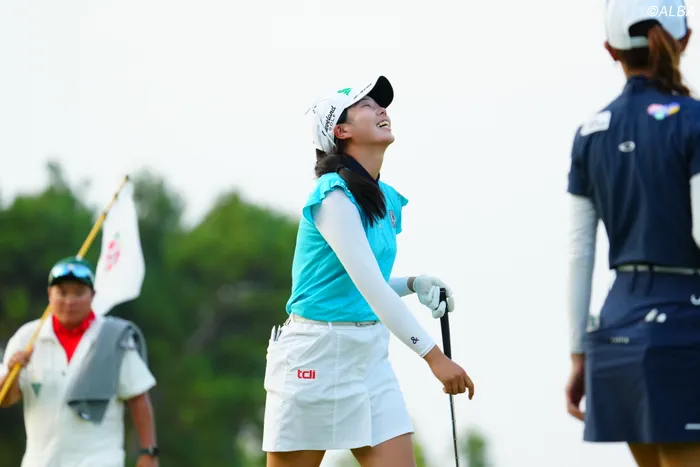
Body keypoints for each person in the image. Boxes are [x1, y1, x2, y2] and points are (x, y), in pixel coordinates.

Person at [261, 75, 475, 467]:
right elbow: (371, 287)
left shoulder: (384, 198)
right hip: (314, 356)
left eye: (380, 104)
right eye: (366, 106)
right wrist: (433, 357)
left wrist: (413, 283)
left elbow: (357, 284)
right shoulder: (332, 196)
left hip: (369, 357)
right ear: (341, 131)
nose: (381, 109)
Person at [565, 1, 700, 466]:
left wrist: (578, 352)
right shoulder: (694, 120)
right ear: (684, 40)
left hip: (616, 329)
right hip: (685, 324)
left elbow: (579, 253)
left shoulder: (588, 133)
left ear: (611, 50)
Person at [0, 256, 160, 467]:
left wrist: (148, 452)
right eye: (62, 292)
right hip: (42, 461)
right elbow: (5, 399)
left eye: (79, 293)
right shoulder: (27, 338)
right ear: (49, 294)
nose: (69, 301)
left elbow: (138, 397)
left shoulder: (113, 338)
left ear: (93, 295)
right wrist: (13, 372)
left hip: (100, 459)